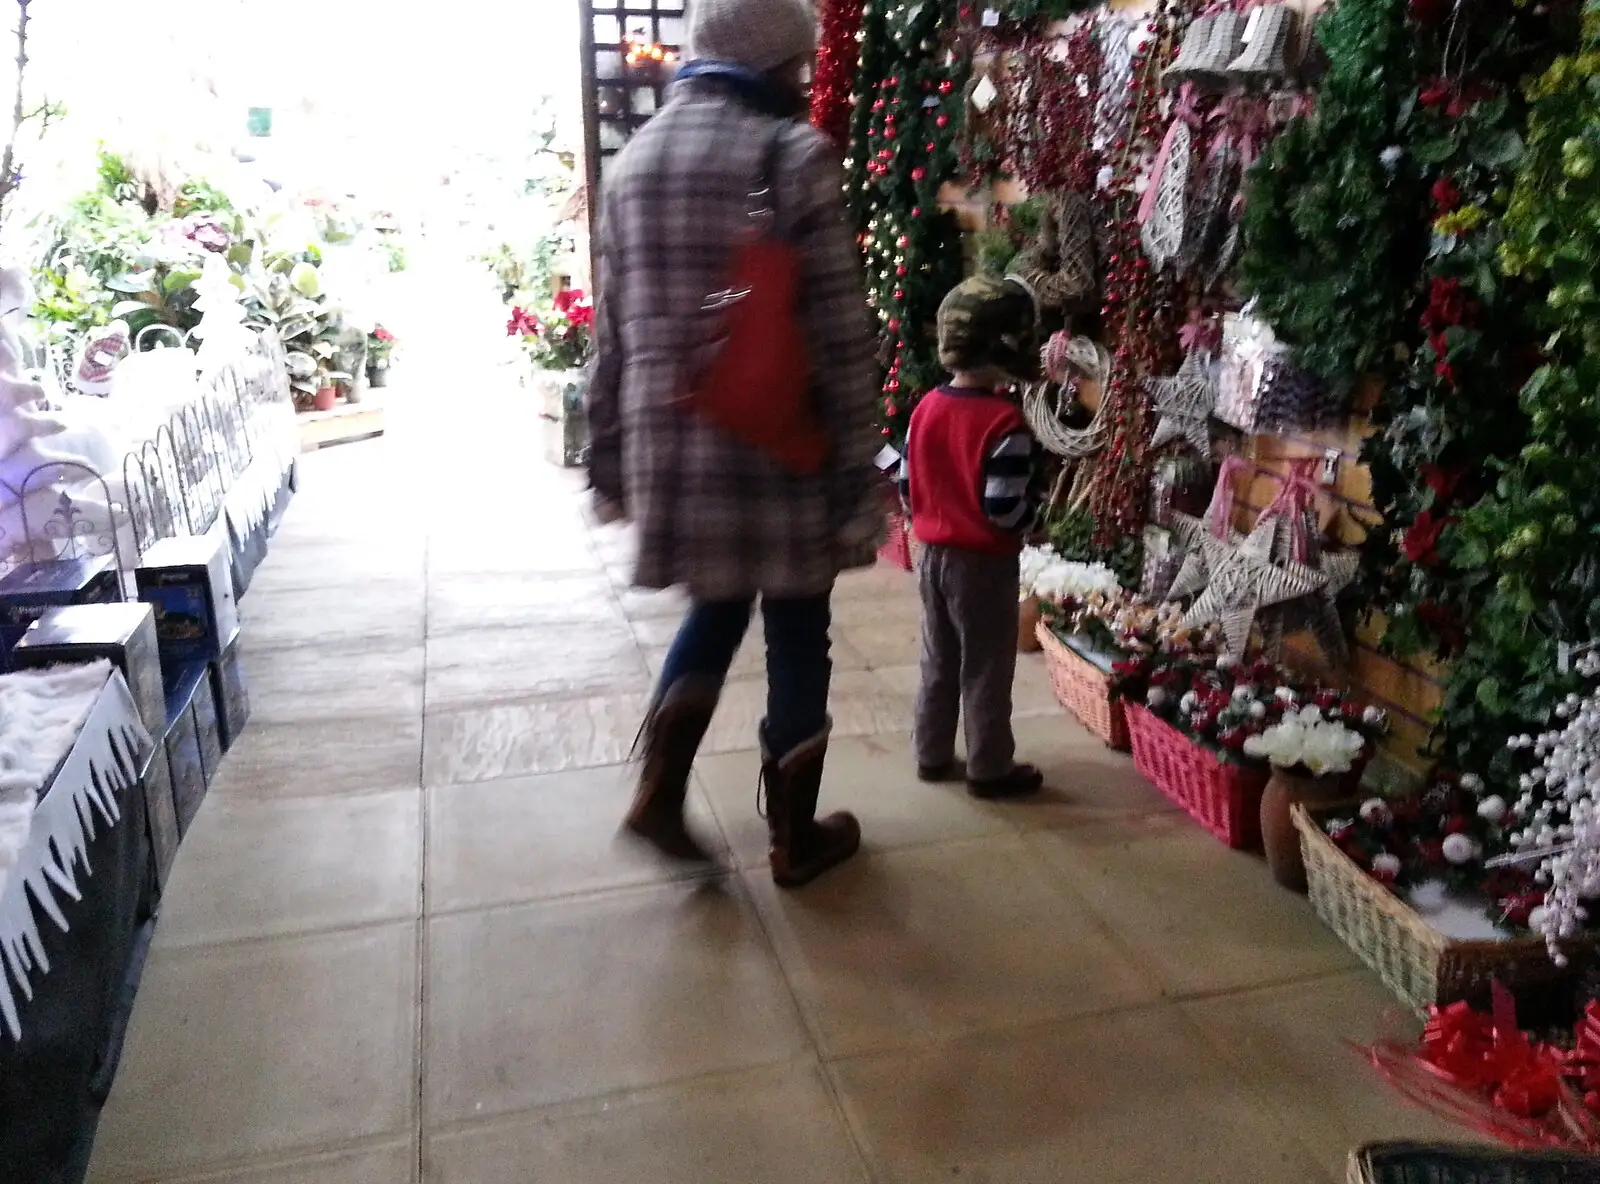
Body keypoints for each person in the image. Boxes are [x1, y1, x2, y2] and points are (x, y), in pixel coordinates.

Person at [586, 0, 883, 888]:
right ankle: (796, 837)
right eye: (801, 62)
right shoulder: (792, 155)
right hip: (779, 443)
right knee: (799, 627)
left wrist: (607, 457)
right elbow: (838, 334)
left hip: (672, 448)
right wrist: (859, 470)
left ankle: (660, 794)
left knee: (715, 605)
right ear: (779, 62)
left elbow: (609, 335)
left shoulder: (631, 164)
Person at [898, 275, 1047, 800]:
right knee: (986, 666)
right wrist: (1036, 513)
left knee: (938, 658)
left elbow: (905, 483)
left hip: (932, 556)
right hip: (983, 565)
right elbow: (1004, 509)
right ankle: (989, 766)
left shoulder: (926, 409)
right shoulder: (1003, 421)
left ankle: (931, 752)